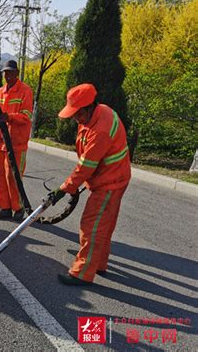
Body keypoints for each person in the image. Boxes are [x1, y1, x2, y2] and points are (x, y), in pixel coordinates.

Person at [49, 83, 131, 285]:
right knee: (104, 224)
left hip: (110, 181)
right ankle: (99, 264)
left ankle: (82, 273)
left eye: (78, 114)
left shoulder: (100, 129)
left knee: (91, 226)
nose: (75, 118)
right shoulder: (94, 115)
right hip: (112, 177)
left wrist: (65, 188)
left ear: (89, 107)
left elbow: (86, 165)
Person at [0, 60, 33, 222]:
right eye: (5, 73)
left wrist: (9, 117)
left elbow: (26, 116)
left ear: (17, 73)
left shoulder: (25, 91)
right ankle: (5, 208)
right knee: (0, 175)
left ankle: (18, 208)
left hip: (16, 142)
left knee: (12, 176)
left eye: (10, 72)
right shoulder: (0, 92)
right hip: (1, 142)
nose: (7, 75)